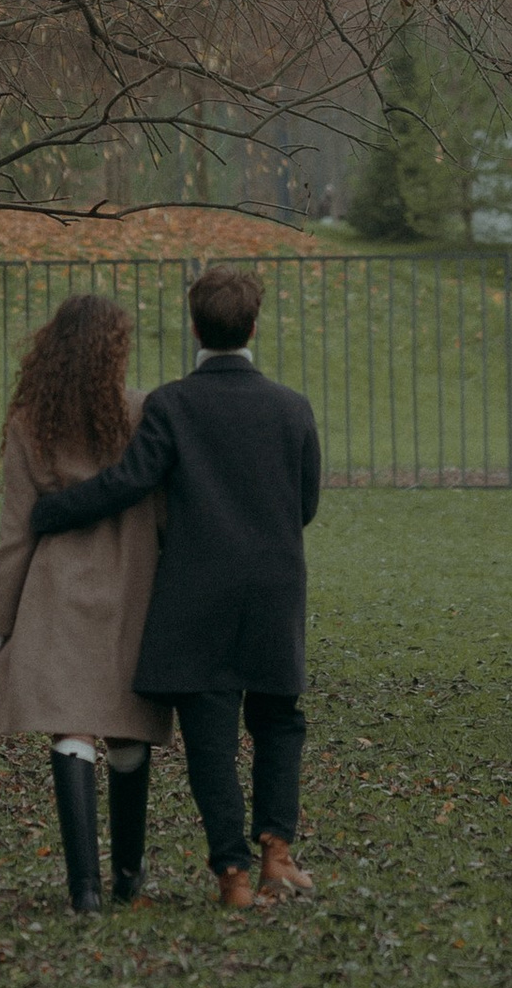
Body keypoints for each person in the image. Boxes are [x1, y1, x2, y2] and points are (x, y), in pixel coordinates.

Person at [27, 262, 321, 911]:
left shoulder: (172, 405)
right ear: (253, 324)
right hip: (273, 588)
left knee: (210, 739)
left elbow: (129, 482)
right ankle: (277, 850)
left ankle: (232, 876)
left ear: (194, 326)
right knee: (278, 722)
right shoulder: (292, 409)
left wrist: (54, 511)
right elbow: (305, 505)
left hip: (198, 595)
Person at [0, 290, 169, 915]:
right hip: (132, 584)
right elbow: (162, 514)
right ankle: (129, 878)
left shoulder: (31, 423)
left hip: (57, 592)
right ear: (115, 352)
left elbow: (15, 536)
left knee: (71, 728)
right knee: (127, 731)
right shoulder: (142, 413)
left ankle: (85, 891)